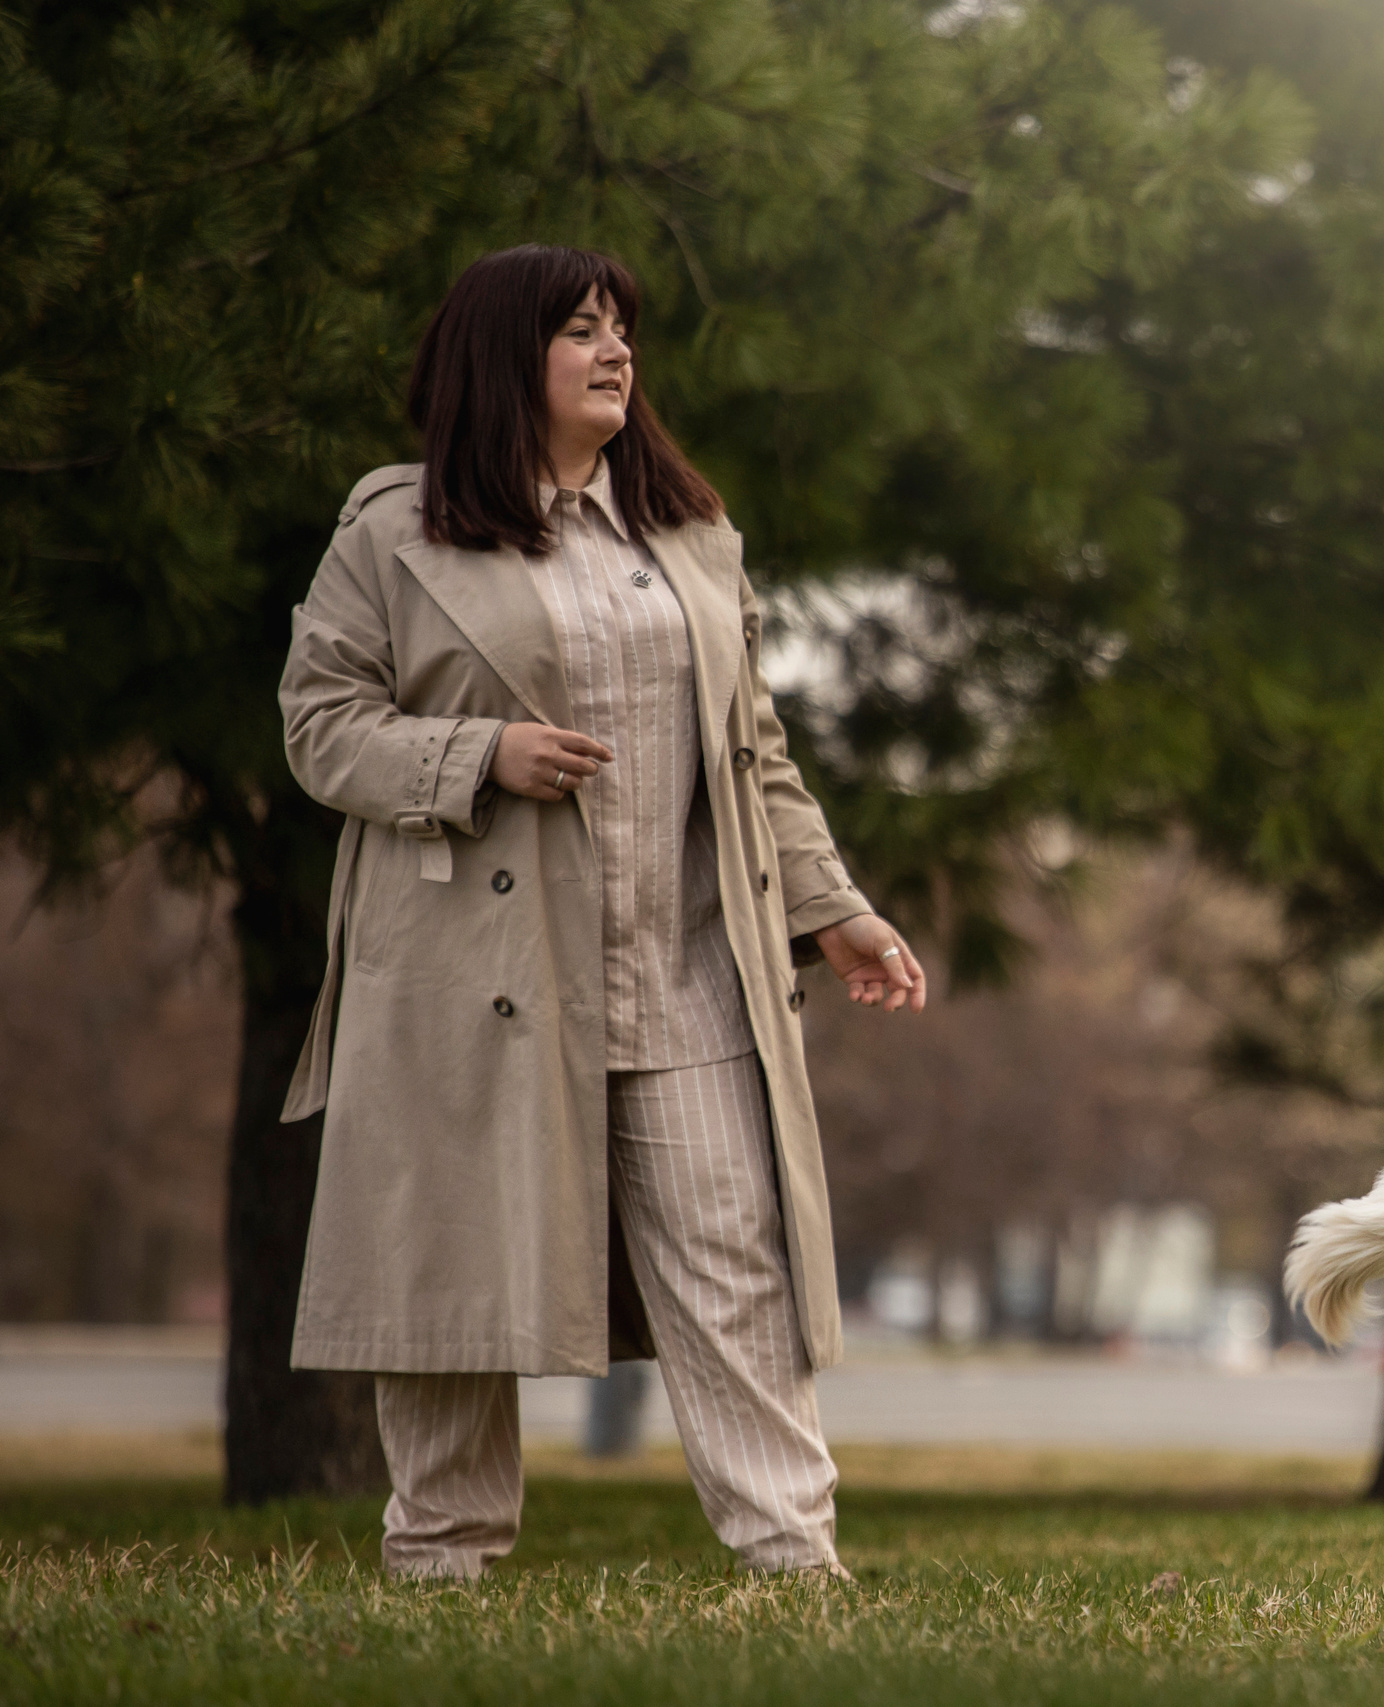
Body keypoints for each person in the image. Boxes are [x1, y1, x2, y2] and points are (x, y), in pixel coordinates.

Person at [276, 244, 924, 1580]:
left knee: (736, 1267)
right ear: (503, 357)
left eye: (622, 327)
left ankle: (793, 1563)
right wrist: (477, 757)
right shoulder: (393, 529)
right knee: (454, 1278)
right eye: (582, 329)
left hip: (687, 977)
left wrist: (833, 909)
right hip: (474, 975)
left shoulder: (688, 535)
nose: (616, 350)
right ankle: (441, 1561)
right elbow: (320, 727)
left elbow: (755, 750)